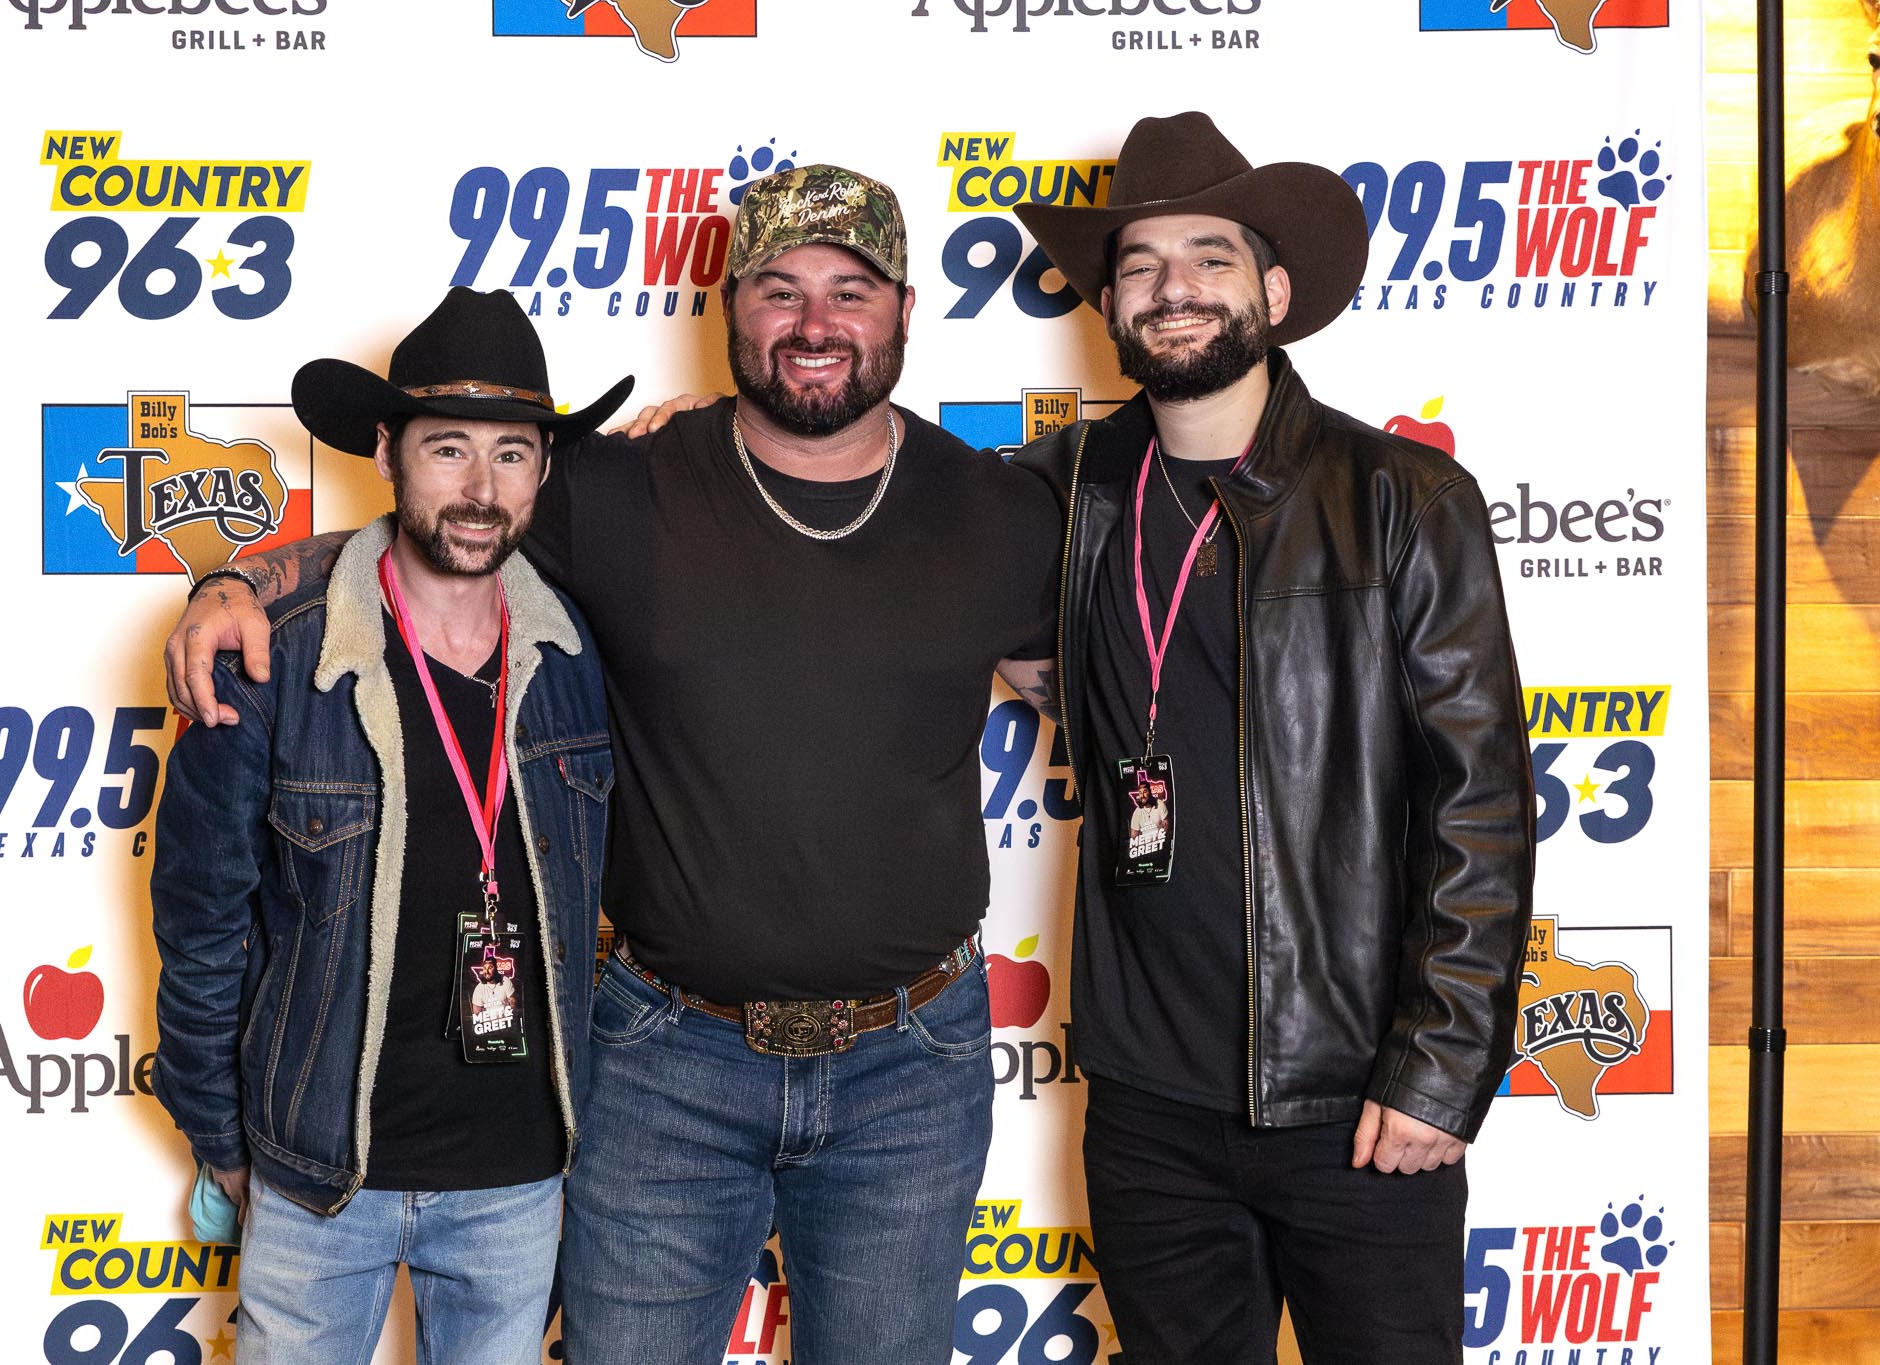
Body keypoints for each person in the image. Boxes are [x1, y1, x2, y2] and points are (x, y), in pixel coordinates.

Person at [159, 165, 1062, 1364]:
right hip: (664, 1063)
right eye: (779, 290)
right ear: (730, 307)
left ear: (903, 309)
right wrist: (232, 583)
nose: (813, 324)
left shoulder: (999, 513)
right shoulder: (618, 483)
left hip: (913, 1065)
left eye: (850, 292)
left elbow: (1122, 678)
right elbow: (437, 529)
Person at [1009, 112, 1537, 1363]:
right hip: (1144, 1112)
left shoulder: (1398, 497)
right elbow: (869, 501)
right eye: (1140, 265)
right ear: (1108, 304)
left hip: (1354, 1097)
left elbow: (1477, 804)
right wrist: (706, 431)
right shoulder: (1061, 490)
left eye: (1210, 257)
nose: (1173, 288)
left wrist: (1439, 1069)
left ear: (1274, 294)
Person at [150, 288, 625, 1363]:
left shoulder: (579, 655)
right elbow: (200, 921)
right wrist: (223, 1139)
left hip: (517, 1181)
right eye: (448, 448)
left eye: (511, 453)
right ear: (385, 452)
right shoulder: (271, 653)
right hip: (319, 1177)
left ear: (545, 469)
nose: (480, 488)